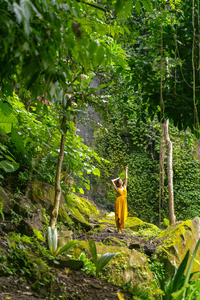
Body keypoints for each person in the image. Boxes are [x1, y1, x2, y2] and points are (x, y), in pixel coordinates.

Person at [111, 166, 128, 234]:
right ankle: (119, 230)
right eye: (120, 181)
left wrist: (126, 170)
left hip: (124, 202)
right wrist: (118, 178)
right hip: (118, 202)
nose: (121, 181)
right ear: (118, 182)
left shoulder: (124, 187)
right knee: (118, 215)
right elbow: (112, 181)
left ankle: (121, 228)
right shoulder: (117, 188)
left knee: (123, 214)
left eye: (121, 180)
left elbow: (126, 178)